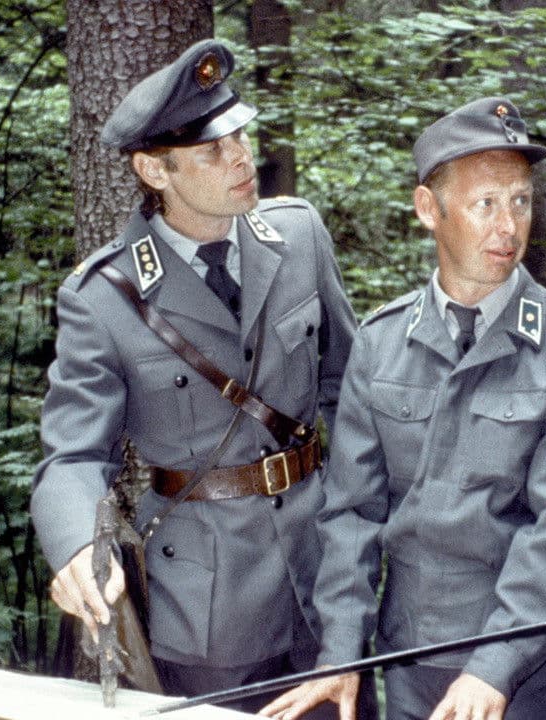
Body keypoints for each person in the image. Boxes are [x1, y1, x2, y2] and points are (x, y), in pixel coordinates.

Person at [30, 39, 374, 718]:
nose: (242, 157)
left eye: (239, 136)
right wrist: (74, 543)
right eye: (214, 150)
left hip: (325, 577)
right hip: (207, 605)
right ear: (154, 169)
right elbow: (72, 456)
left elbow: (354, 396)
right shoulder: (104, 297)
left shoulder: (298, 237)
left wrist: (362, 524)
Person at [260, 97, 546, 720]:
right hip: (412, 664)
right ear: (429, 209)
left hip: (530, 673)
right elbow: (351, 517)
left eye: (521, 201)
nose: (508, 226)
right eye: (486, 204)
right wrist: (341, 652)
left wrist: (493, 669)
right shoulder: (381, 343)